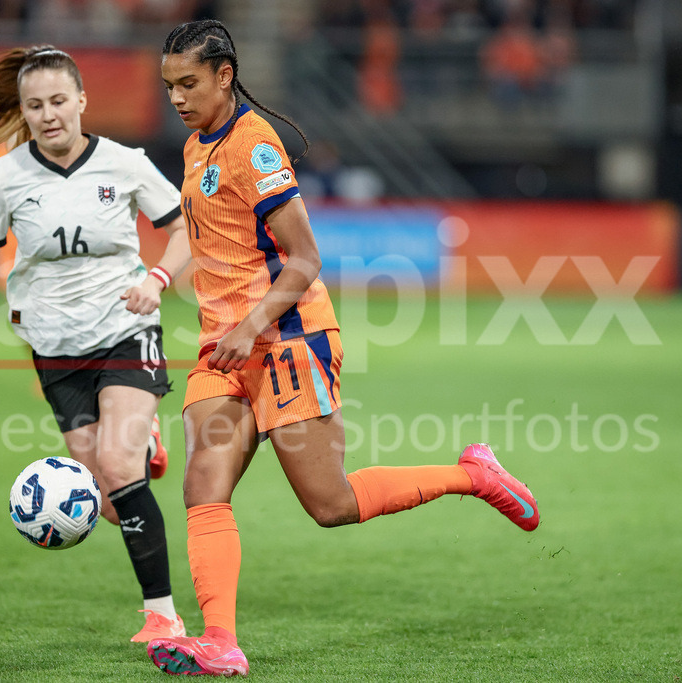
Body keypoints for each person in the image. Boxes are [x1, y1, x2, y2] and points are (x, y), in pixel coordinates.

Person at [148, 20, 540, 677]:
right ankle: (221, 641)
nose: (178, 98)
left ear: (224, 75)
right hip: (226, 345)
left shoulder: (255, 146)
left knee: (331, 504)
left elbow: (304, 258)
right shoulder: (197, 147)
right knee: (202, 485)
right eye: (169, 87)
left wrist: (251, 325)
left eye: (189, 83)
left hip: (287, 336)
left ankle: (473, 474)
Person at [0, 45, 191, 643]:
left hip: (125, 331)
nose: (48, 114)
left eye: (59, 100)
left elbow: (184, 229)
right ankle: (143, 448)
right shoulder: (5, 175)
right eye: (35, 105)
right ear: (24, 111)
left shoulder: (126, 164)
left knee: (116, 465)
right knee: (107, 496)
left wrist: (157, 280)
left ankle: (161, 615)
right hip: (55, 350)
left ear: (81, 101)